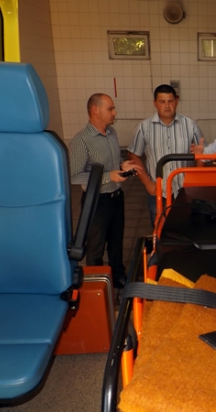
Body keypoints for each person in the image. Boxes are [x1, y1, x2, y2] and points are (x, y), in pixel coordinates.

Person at [69, 93, 142, 289]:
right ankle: (97, 284)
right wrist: (109, 176)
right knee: (96, 246)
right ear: (95, 110)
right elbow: (76, 176)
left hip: (116, 197)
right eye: (110, 109)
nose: (114, 113)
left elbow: (113, 162)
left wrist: (122, 165)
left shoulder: (111, 133)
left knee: (116, 241)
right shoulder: (81, 140)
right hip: (96, 201)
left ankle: (118, 275)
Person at [128, 84, 203, 226]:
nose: (167, 106)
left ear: (176, 101)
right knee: (159, 229)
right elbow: (133, 155)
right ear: (155, 103)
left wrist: (196, 182)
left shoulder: (191, 125)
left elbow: (201, 155)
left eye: (170, 101)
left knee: (186, 227)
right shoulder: (143, 128)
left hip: (184, 190)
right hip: (158, 191)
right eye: (162, 102)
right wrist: (147, 183)